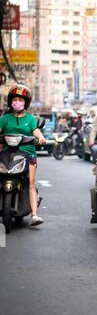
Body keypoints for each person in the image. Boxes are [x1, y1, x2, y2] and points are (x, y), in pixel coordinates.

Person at [0, 84, 46, 226]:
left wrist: (41, 137)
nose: (17, 102)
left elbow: (36, 131)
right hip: (7, 153)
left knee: (30, 183)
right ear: (11, 101)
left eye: (21, 100)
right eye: (15, 99)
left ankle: (34, 215)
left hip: (28, 154)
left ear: (26, 102)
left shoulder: (31, 119)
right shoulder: (5, 118)